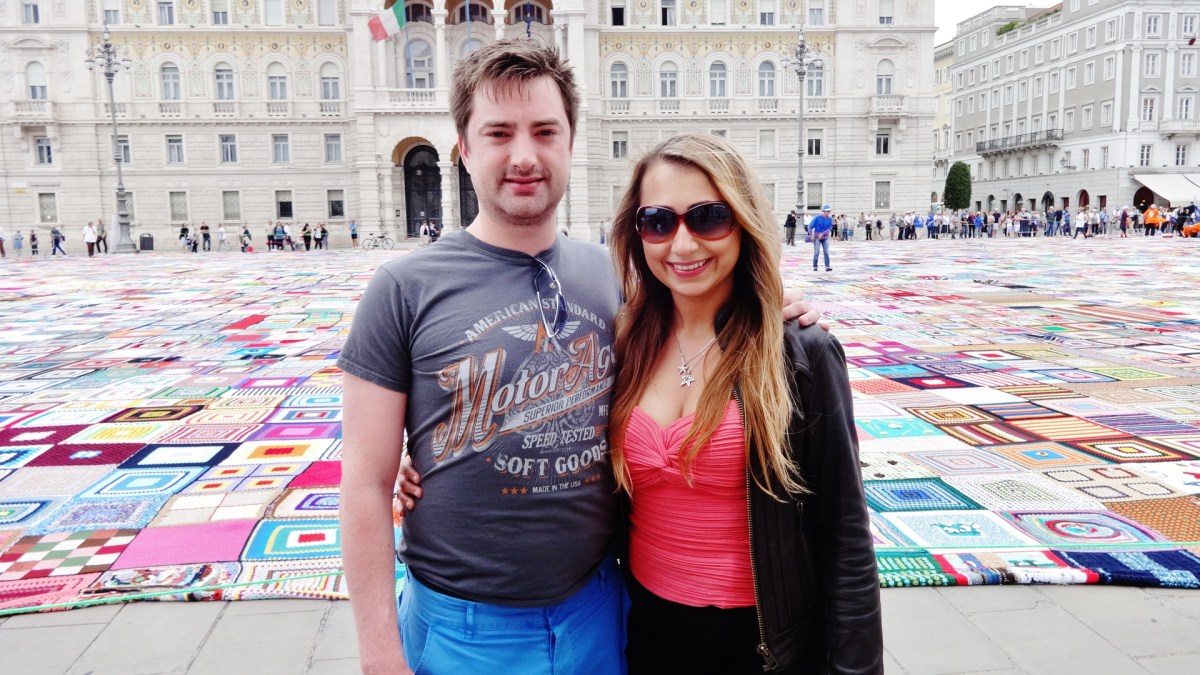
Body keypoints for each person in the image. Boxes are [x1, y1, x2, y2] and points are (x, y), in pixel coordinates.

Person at [339, 41, 821, 675]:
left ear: (570, 142)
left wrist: (767, 303)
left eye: (545, 131)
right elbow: (365, 484)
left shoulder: (616, 279)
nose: (524, 155)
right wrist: (380, 656)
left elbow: (698, 322)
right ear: (464, 148)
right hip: (464, 632)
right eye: (498, 133)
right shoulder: (402, 289)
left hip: (599, 612)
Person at [608, 132, 881, 674]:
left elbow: (845, 537)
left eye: (708, 218)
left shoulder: (799, 352)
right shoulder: (624, 341)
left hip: (763, 647)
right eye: (658, 221)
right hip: (644, 636)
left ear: (744, 222)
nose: (682, 244)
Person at [808, 205, 833, 271]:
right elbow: (810, 227)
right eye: (827, 211)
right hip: (817, 238)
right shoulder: (817, 218)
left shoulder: (830, 219)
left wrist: (823, 234)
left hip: (825, 237)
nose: (828, 212)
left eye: (829, 211)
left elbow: (830, 228)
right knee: (816, 252)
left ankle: (827, 266)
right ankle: (815, 266)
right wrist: (811, 235)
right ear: (823, 211)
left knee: (826, 252)